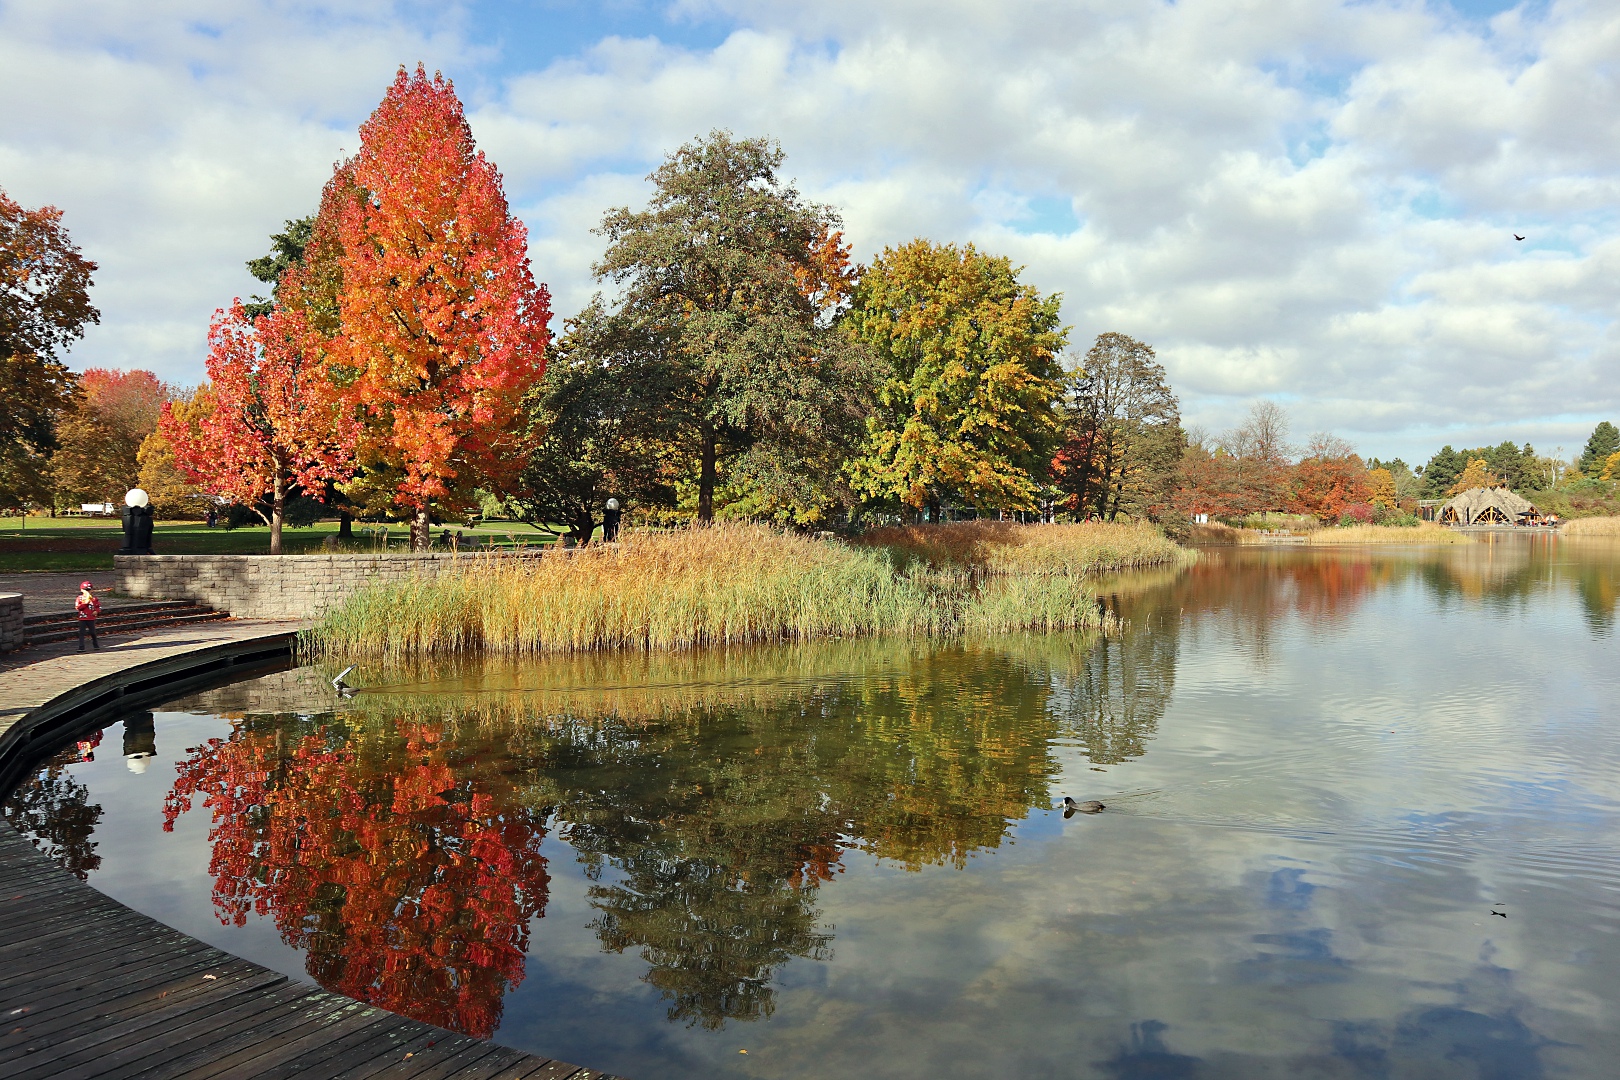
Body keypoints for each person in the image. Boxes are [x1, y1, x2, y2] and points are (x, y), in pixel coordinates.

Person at [76, 580, 101, 652]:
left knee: (92, 632)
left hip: (91, 618)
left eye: (89, 590)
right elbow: (78, 607)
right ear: (82, 590)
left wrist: (97, 611)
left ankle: (95, 644)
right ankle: (81, 646)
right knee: (81, 632)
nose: (87, 592)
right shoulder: (80, 598)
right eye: (85, 590)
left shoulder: (94, 599)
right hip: (82, 618)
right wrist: (85, 603)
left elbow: (98, 606)